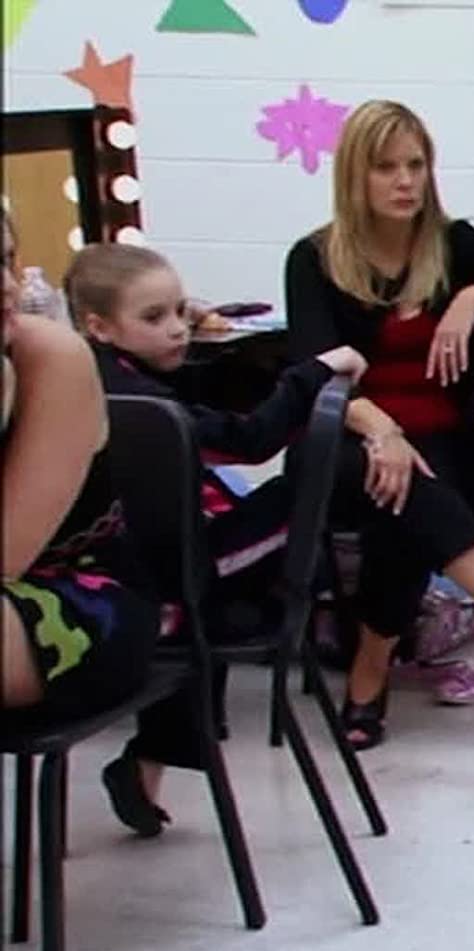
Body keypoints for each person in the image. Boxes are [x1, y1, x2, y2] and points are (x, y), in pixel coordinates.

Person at [284, 99, 474, 748]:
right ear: (354, 175)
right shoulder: (313, 258)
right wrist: (382, 432)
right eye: (386, 167)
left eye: (416, 165)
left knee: (406, 502)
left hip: (442, 438)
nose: (405, 182)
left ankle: (369, 677)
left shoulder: (450, 245)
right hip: (345, 433)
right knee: (398, 485)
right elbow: (314, 366)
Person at [64, 241, 367, 833]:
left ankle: (146, 766)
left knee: (238, 581)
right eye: (155, 317)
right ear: (99, 327)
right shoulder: (138, 403)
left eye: (182, 310)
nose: (178, 329)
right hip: (163, 578)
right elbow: (249, 440)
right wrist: (313, 373)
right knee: (320, 494)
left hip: (149, 564)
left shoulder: (104, 372)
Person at [2, 209, 158, 733]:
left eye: (7, 261)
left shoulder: (49, 355)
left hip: (80, 596)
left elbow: (6, 555)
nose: (8, 287)